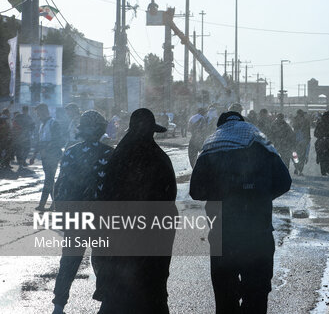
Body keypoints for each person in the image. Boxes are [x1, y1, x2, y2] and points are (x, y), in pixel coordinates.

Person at [190, 111, 291, 314]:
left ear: (220, 126)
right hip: (258, 233)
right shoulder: (261, 143)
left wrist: (223, 193)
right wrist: (259, 196)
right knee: (257, 293)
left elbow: (196, 191)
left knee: (225, 294)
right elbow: (284, 181)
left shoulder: (212, 145)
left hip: (223, 234)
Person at [95, 108, 177, 313]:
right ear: (151, 132)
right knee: (152, 293)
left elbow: (106, 197)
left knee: (117, 295)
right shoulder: (159, 158)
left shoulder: (118, 156)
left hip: (120, 237)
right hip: (153, 238)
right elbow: (169, 199)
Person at [51, 110, 113, 314]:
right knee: (103, 259)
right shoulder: (109, 153)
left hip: (75, 216)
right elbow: (115, 189)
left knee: (69, 260)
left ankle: (59, 305)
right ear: (102, 129)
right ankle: (104, 303)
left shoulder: (70, 151)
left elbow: (59, 187)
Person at [31, 103, 64, 211]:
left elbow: (57, 140)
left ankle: (43, 204)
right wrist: (34, 155)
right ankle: (54, 203)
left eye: (39, 112)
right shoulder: (42, 124)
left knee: (48, 179)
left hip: (52, 155)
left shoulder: (53, 123)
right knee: (49, 180)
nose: (38, 115)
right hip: (45, 156)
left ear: (45, 112)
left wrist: (47, 149)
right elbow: (39, 141)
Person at [314, 111, 329, 175]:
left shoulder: (320, 123)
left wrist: (321, 137)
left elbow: (315, 134)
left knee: (319, 152)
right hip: (328, 140)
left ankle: (319, 159)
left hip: (321, 140)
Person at [291, 110, 311, 175]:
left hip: (301, 140)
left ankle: (299, 169)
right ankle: (297, 168)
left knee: (300, 156)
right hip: (297, 140)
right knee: (297, 156)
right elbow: (293, 127)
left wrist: (308, 139)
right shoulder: (295, 120)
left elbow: (308, 131)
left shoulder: (306, 121)